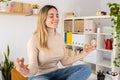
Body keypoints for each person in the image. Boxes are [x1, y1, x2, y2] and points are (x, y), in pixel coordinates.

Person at [15, 5, 93, 80]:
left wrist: (84, 53)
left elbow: (65, 61)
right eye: (51, 16)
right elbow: (33, 68)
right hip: (39, 76)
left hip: (56, 73)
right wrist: (25, 71)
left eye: (57, 16)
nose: (56, 18)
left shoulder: (60, 38)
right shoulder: (34, 39)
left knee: (86, 69)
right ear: (43, 19)